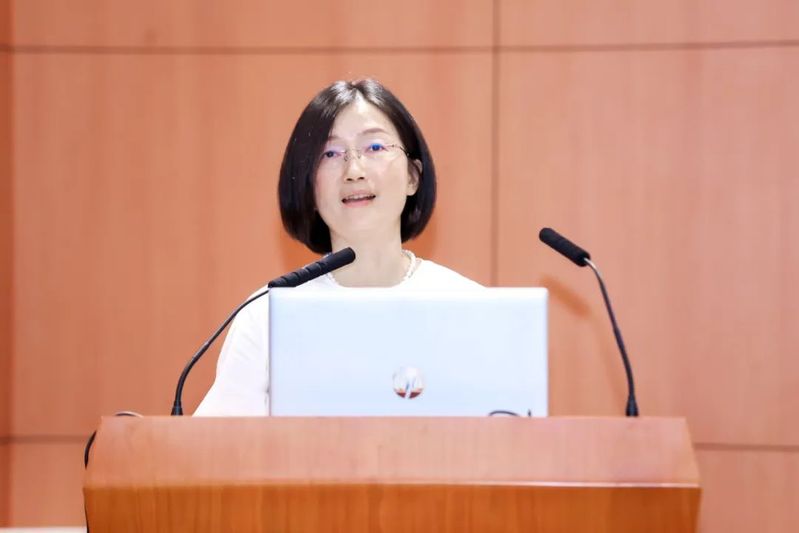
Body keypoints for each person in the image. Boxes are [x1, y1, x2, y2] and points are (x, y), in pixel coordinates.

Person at [195, 79, 480, 416]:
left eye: (375, 147)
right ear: (308, 186)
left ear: (412, 177)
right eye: (330, 154)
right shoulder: (269, 315)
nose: (353, 171)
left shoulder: (470, 308)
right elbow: (215, 444)